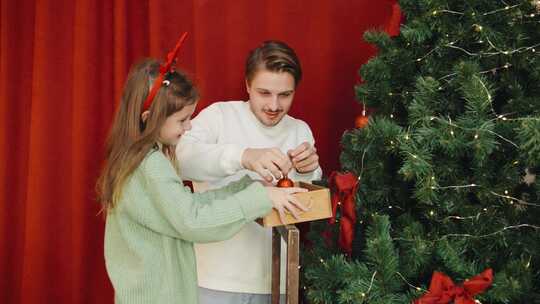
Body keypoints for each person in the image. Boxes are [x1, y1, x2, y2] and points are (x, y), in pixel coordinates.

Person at [96, 44, 308, 304]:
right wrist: (259, 195)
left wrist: (251, 189)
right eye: (183, 120)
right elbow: (193, 220)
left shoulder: (143, 161)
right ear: (150, 117)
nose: (189, 128)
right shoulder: (151, 165)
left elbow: (188, 206)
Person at [177, 40, 322, 303]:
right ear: (247, 85)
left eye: (285, 95)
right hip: (212, 281)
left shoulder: (300, 130)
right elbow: (180, 158)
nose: (274, 105)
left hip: (277, 284)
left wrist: (309, 172)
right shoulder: (219, 116)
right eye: (264, 93)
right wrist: (243, 156)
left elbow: (305, 205)